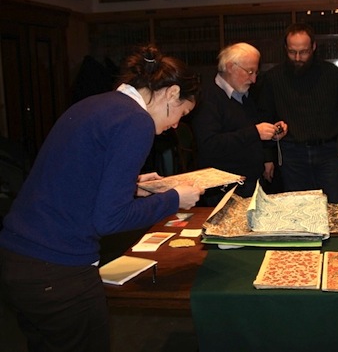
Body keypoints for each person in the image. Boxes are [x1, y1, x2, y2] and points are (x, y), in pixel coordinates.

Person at [0, 44, 203, 351]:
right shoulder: (136, 121)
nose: (175, 125)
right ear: (171, 93)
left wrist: (132, 185)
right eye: (181, 114)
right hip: (58, 269)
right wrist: (174, 198)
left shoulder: (98, 104)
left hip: (18, 258)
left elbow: (75, 176)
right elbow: (110, 218)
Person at [257, 23, 338, 204]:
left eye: (303, 52)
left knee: (332, 206)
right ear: (285, 48)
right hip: (291, 153)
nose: (297, 58)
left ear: (314, 47)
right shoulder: (273, 78)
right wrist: (268, 158)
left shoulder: (331, 74)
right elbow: (266, 118)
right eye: (292, 52)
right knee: (297, 208)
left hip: (328, 152)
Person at [192, 42, 287, 205]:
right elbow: (209, 145)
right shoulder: (208, 98)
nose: (254, 79)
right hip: (223, 191)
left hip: (247, 184)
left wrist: (271, 134)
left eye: (256, 72)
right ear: (230, 67)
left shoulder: (244, 95)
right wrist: (255, 132)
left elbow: (247, 135)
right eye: (249, 72)